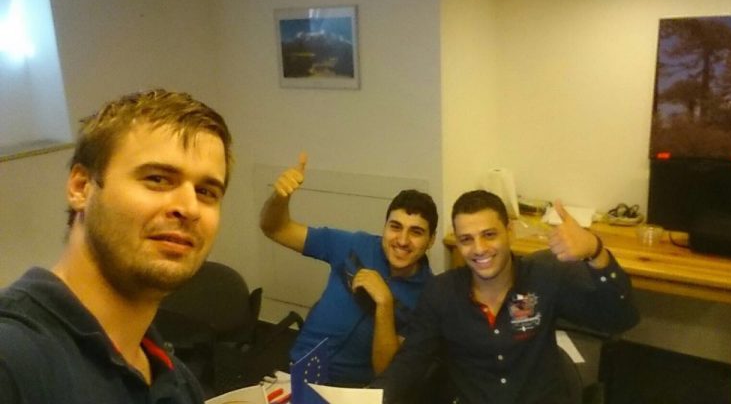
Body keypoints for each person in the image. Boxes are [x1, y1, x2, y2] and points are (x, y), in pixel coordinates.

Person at [0, 89, 233, 404]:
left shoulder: (175, 380)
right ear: (81, 187)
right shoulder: (13, 361)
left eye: (206, 192)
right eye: (157, 179)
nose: (189, 208)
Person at [378, 190, 639, 404]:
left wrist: (595, 251)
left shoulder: (544, 277)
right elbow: (410, 363)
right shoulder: (442, 292)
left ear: (509, 231)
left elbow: (621, 318)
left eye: (489, 235)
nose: (479, 249)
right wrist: (370, 398)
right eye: (466, 239)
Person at [259, 153, 438, 386]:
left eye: (416, 232)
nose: (402, 241)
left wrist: (384, 304)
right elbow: (276, 229)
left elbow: (387, 373)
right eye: (395, 227)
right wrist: (279, 198)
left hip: (353, 391)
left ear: (431, 240)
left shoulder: (430, 296)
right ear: (384, 227)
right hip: (297, 372)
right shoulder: (354, 245)